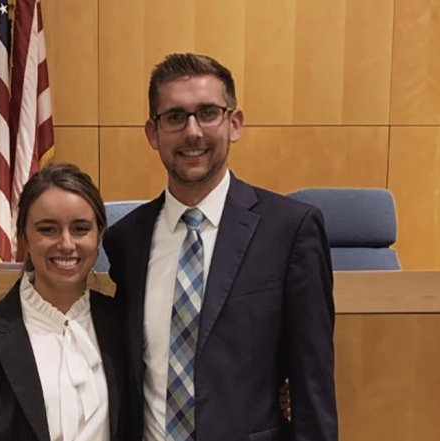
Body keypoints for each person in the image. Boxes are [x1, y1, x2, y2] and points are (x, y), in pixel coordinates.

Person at [103, 53, 337, 441]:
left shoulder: (290, 230)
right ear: (152, 132)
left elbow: (313, 385)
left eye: (208, 112)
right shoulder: (127, 238)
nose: (192, 132)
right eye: (175, 117)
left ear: (234, 123)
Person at [0, 164, 125, 441]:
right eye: (48, 229)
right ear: (24, 237)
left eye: (80, 228)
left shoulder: (124, 324)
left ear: (98, 236)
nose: (66, 243)